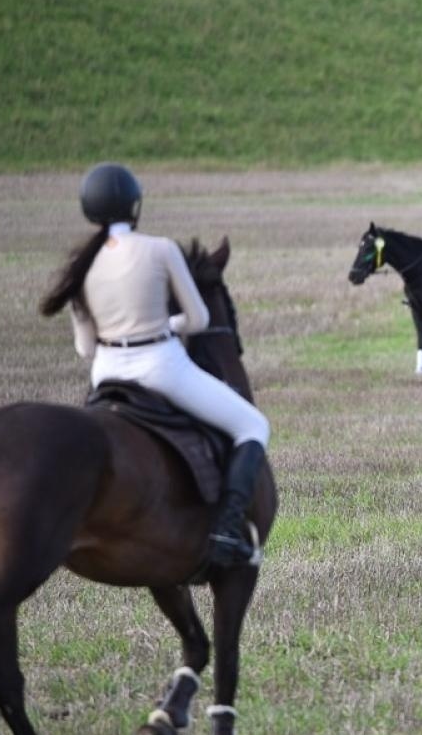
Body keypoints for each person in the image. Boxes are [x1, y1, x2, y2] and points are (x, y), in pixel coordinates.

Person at [38, 163, 268, 571]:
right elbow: (196, 321)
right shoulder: (161, 249)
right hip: (161, 367)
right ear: (135, 205)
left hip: (105, 375)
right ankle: (227, 531)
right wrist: (167, 325)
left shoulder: (80, 266)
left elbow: (85, 346)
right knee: (253, 426)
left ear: (89, 211)